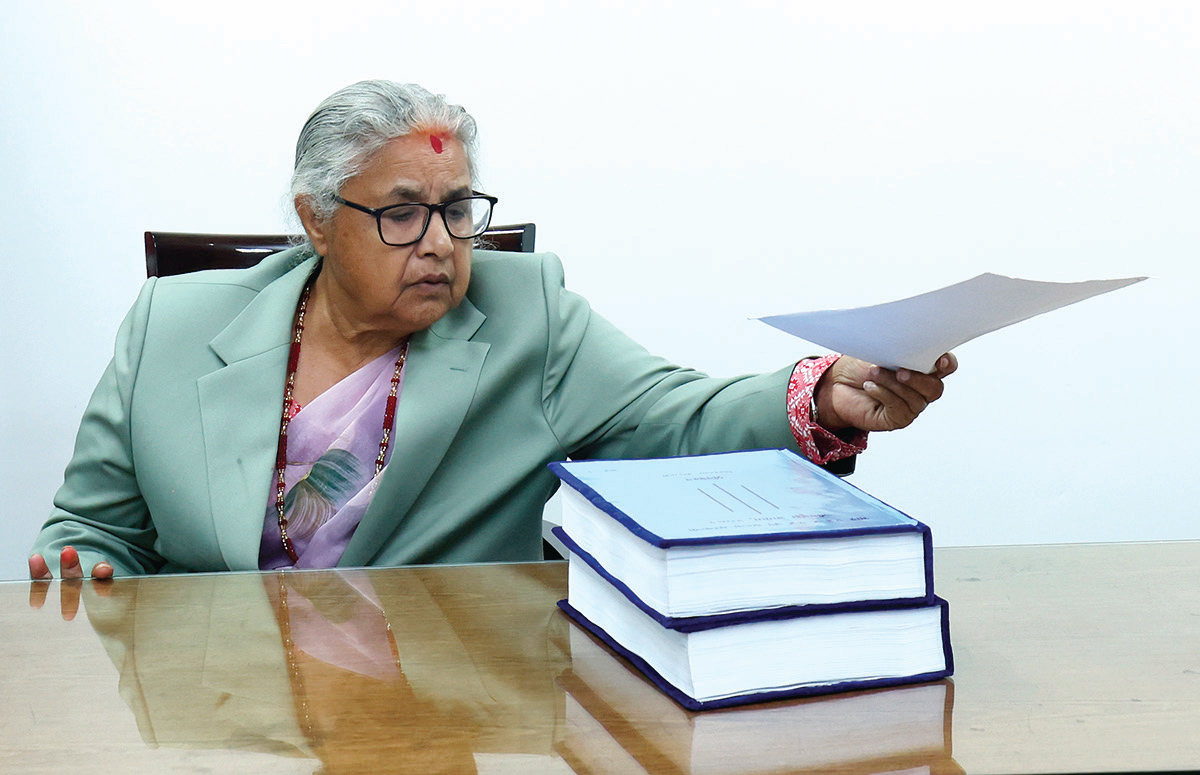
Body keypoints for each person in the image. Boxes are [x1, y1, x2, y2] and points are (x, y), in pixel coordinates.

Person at [29, 80, 956, 581]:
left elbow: (680, 414)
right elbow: (95, 529)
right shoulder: (172, 325)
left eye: (457, 209)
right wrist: (85, 573)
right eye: (402, 213)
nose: (440, 243)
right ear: (317, 221)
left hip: (439, 696)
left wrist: (824, 396)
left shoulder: (527, 317)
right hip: (221, 711)